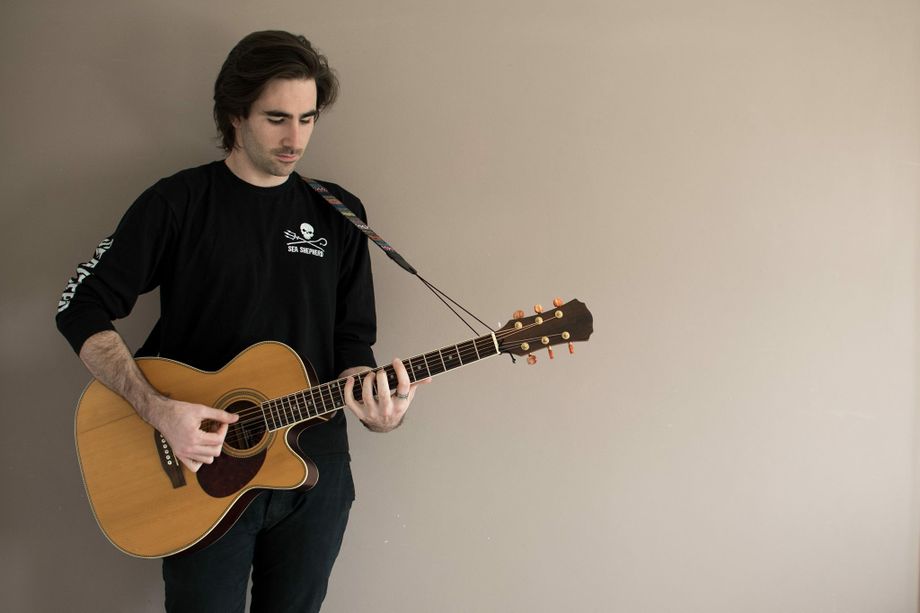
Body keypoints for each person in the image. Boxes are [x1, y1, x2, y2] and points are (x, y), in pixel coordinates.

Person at [55, 30, 424, 612]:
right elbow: (79, 306)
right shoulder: (177, 203)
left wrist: (378, 405)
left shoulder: (339, 213)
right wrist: (157, 409)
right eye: (277, 118)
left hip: (315, 469)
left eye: (307, 118)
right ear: (235, 115)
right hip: (201, 466)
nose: (295, 139)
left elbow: (353, 339)